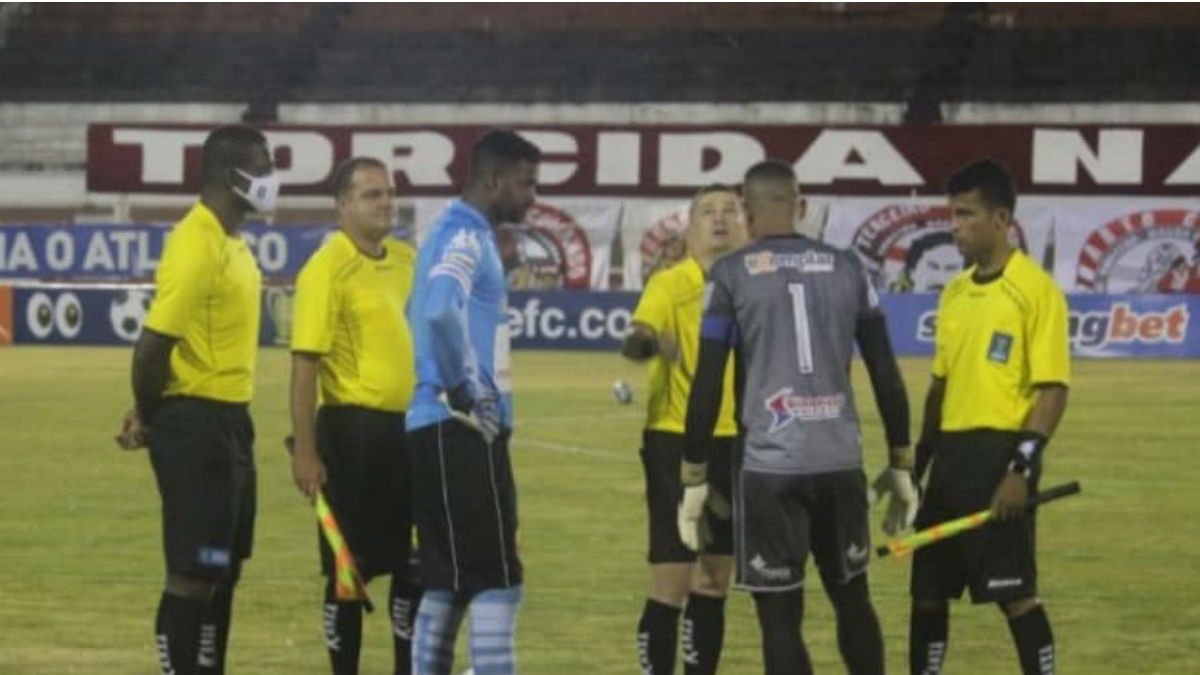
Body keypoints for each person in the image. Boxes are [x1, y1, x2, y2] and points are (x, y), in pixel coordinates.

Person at [683, 160, 917, 675]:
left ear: (745, 209)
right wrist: (902, 460)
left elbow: (707, 381)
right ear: (802, 205)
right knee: (853, 598)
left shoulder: (728, 274)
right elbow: (885, 371)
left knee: (780, 617)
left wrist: (694, 473)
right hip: (839, 460)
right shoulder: (849, 266)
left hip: (770, 467)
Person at [114, 124, 276, 675]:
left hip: (231, 422)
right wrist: (156, 417)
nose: (272, 178)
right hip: (197, 429)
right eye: (265, 166)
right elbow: (151, 347)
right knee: (193, 571)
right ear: (234, 175)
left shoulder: (234, 242)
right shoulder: (196, 242)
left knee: (221, 566)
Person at [907, 159, 1070, 675]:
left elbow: (1052, 391)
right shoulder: (954, 293)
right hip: (951, 457)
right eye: (952, 215)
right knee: (928, 593)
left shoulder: (1035, 289)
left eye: (966, 214)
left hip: (1001, 454)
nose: (954, 225)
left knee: (1014, 593)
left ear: (1000, 220)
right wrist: (918, 466)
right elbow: (941, 384)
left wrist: (1021, 470)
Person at [405, 129, 540, 675]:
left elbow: (421, 309)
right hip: (460, 430)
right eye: (526, 183)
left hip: (434, 429)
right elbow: (438, 310)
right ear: (492, 179)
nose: (532, 196)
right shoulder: (466, 237)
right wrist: (465, 390)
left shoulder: (447, 232)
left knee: (449, 581)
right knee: (497, 580)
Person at [288, 157, 420, 675]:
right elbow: (305, 366)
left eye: (388, 192)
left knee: (415, 566)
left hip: (410, 431)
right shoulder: (326, 268)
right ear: (342, 206)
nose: (386, 202)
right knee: (349, 570)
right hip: (353, 434)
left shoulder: (408, 260)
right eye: (372, 195)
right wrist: (305, 451)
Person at [622, 185, 748, 675]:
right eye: (707, 212)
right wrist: (648, 343)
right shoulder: (670, 285)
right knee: (673, 579)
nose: (720, 219)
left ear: (746, 223)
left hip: (737, 442)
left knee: (715, 579)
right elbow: (639, 337)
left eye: (730, 211)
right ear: (690, 228)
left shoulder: (754, 285)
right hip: (674, 441)